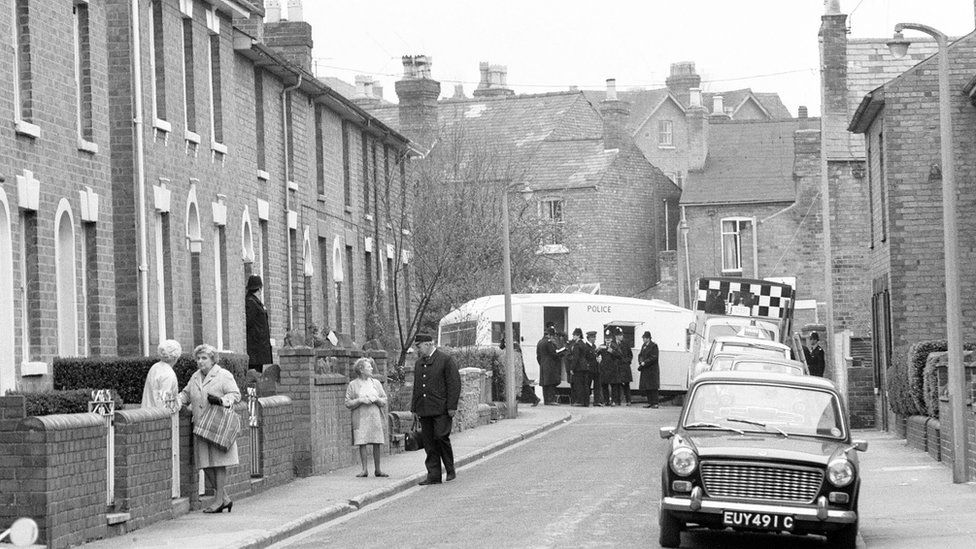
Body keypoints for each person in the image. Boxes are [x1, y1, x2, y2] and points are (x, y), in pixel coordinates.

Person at [179, 344, 241, 514]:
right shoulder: (195, 377)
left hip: (217, 424)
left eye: (204, 358)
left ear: (213, 360)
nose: (200, 361)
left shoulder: (223, 375)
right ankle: (225, 499)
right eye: (198, 358)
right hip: (200, 426)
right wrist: (177, 399)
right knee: (205, 463)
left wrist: (222, 401)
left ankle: (219, 500)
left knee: (219, 463)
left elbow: (235, 395)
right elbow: (186, 393)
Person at [411, 332, 461, 485]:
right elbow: (417, 387)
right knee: (429, 443)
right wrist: (414, 408)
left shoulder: (445, 360)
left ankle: (450, 468)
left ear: (428, 344)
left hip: (441, 408)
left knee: (441, 437)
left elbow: (454, 384)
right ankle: (433, 475)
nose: (417, 350)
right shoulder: (419, 363)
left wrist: (452, 406)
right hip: (425, 409)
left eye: (419, 346)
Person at [345, 357, 389, 478]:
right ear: (361, 369)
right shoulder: (353, 385)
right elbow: (348, 403)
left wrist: (377, 399)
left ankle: (378, 469)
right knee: (362, 442)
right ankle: (364, 469)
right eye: (368, 367)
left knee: (377, 442)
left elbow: (384, 399)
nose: (371, 368)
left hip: (375, 416)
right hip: (360, 417)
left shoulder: (376, 383)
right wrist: (360, 400)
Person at [141, 339, 181, 409]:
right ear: (176, 357)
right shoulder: (169, 374)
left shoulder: (155, 367)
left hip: (146, 411)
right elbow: (164, 402)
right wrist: (179, 404)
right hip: (158, 416)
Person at [245, 275, 273, 373]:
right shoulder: (251, 302)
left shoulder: (255, 302)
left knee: (257, 374)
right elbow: (249, 323)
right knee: (254, 376)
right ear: (260, 288)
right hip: (255, 348)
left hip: (258, 347)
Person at [501, 336, 539, 406]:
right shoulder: (511, 345)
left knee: (524, 384)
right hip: (516, 368)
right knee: (522, 385)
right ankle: (533, 398)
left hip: (517, 368)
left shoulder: (515, 345)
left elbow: (516, 356)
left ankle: (534, 398)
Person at [536, 328, 561, 405]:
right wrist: (560, 354)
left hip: (543, 365)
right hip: (550, 365)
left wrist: (541, 363)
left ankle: (546, 400)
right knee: (551, 383)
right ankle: (551, 400)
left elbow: (538, 356)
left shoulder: (540, 342)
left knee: (545, 383)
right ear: (550, 335)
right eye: (553, 336)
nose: (553, 338)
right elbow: (553, 353)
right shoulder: (549, 342)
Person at [610, 327, 633, 406]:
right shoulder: (612, 344)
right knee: (615, 385)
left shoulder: (626, 343)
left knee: (626, 384)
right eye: (620, 335)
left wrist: (628, 361)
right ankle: (615, 401)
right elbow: (610, 355)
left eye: (622, 335)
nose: (622, 337)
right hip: (616, 367)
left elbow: (630, 355)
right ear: (616, 336)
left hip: (624, 366)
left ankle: (628, 401)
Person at [638, 331, 660, 408]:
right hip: (645, 369)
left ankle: (655, 403)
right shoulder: (643, 346)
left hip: (652, 369)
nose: (643, 340)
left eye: (644, 338)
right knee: (647, 386)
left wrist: (645, 362)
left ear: (648, 338)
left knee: (653, 387)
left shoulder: (654, 346)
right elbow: (640, 355)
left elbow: (654, 357)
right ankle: (650, 402)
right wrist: (640, 361)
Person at [596, 329, 619, 406]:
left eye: (609, 338)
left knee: (613, 386)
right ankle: (606, 401)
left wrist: (611, 351)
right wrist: (597, 351)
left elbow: (619, 355)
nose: (607, 340)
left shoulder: (615, 346)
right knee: (604, 385)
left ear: (611, 339)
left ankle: (613, 401)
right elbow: (595, 354)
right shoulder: (602, 346)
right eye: (606, 338)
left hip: (612, 369)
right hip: (604, 369)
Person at [566, 328, 587, 406]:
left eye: (574, 335)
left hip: (578, 367)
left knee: (578, 385)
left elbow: (575, 358)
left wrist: (572, 368)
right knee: (583, 384)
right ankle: (584, 401)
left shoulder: (577, 345)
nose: (573, 337)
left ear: (578, 336)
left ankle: (579, 401)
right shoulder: (583, 344)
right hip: (584, 366)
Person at [578, 330, 599, 407]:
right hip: (589, 368)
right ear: (589, 338)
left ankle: (597, 401)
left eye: (594, 337)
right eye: (593, 337)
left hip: (595, 368)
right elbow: (585, 358)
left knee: (596, 385)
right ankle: (585, 402)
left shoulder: (594, 346)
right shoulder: (585, 347)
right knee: (587, 385)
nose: (594, 339)